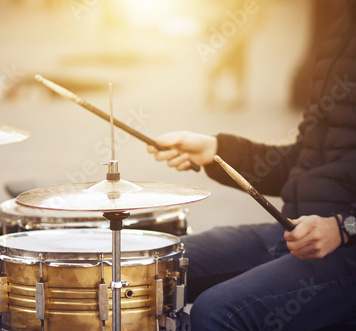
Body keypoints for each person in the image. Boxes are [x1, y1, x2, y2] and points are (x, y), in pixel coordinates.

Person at [147, 2, 356, 330]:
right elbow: (306, 162)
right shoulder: (340, 31)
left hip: (347, 251)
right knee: (148, 265)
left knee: (217, 311)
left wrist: (344, 227)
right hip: (292, 232)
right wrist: (217, 150)